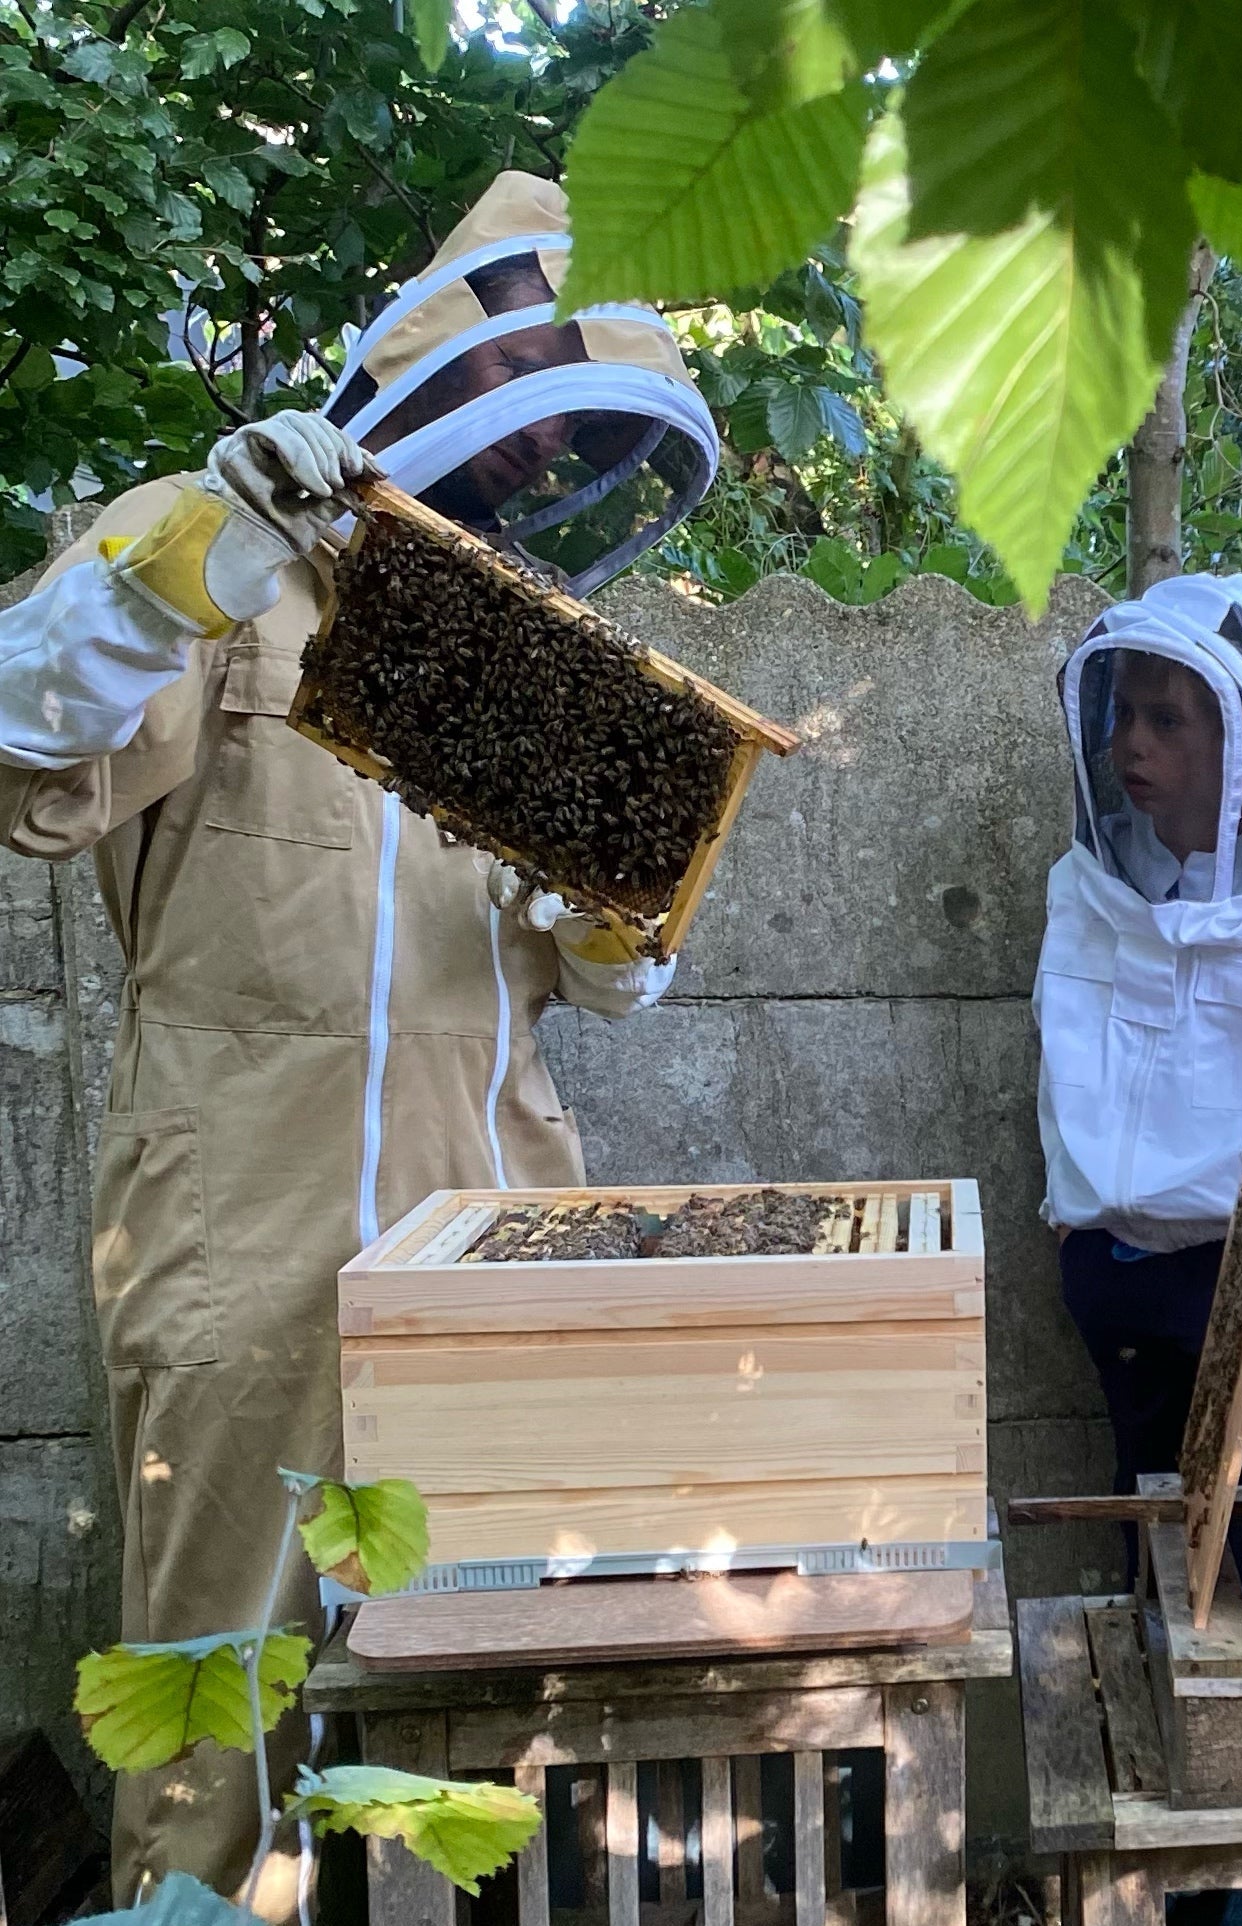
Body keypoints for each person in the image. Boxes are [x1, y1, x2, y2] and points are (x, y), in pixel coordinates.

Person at [0, 171, 719, 1908]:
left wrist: (616, 935)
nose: (551, 461)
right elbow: (27, 741)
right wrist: (178, 570)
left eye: (583, 428)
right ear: (428, 359)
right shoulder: (211, 567)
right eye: (528, 392)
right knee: (216, 1713)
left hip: (497, 1242)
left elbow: (599, 979)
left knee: (484, 1718)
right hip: (241, 1250)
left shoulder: (534, 672)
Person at [1034, 572, 1242, 1568]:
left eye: (1167, 721)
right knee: (1143, 1498)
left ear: (1240, 738)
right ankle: (1154, 1682)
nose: (1131, 746)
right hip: (1109, 1261)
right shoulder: (1094, 883)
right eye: (1123, 717)